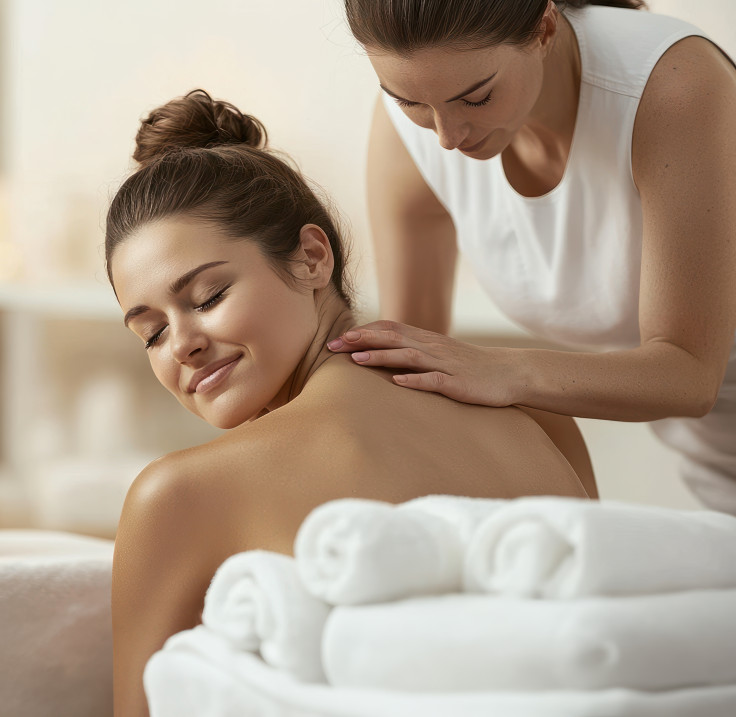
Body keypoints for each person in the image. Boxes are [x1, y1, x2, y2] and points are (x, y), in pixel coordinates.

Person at [106, 89, 593, 717]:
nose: (184, 346)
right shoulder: (537, 414)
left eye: (206, 296)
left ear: (312, 257)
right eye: (152, 333)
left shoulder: (178, 495)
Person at [331, 0, 736, 512]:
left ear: (544, 26)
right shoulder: (417, 125)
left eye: (476, 99)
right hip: (709, 456)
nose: (447, 137)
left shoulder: (674, 85)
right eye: (408, 101)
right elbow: (412, 356)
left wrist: (505, 372)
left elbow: (691, 374)